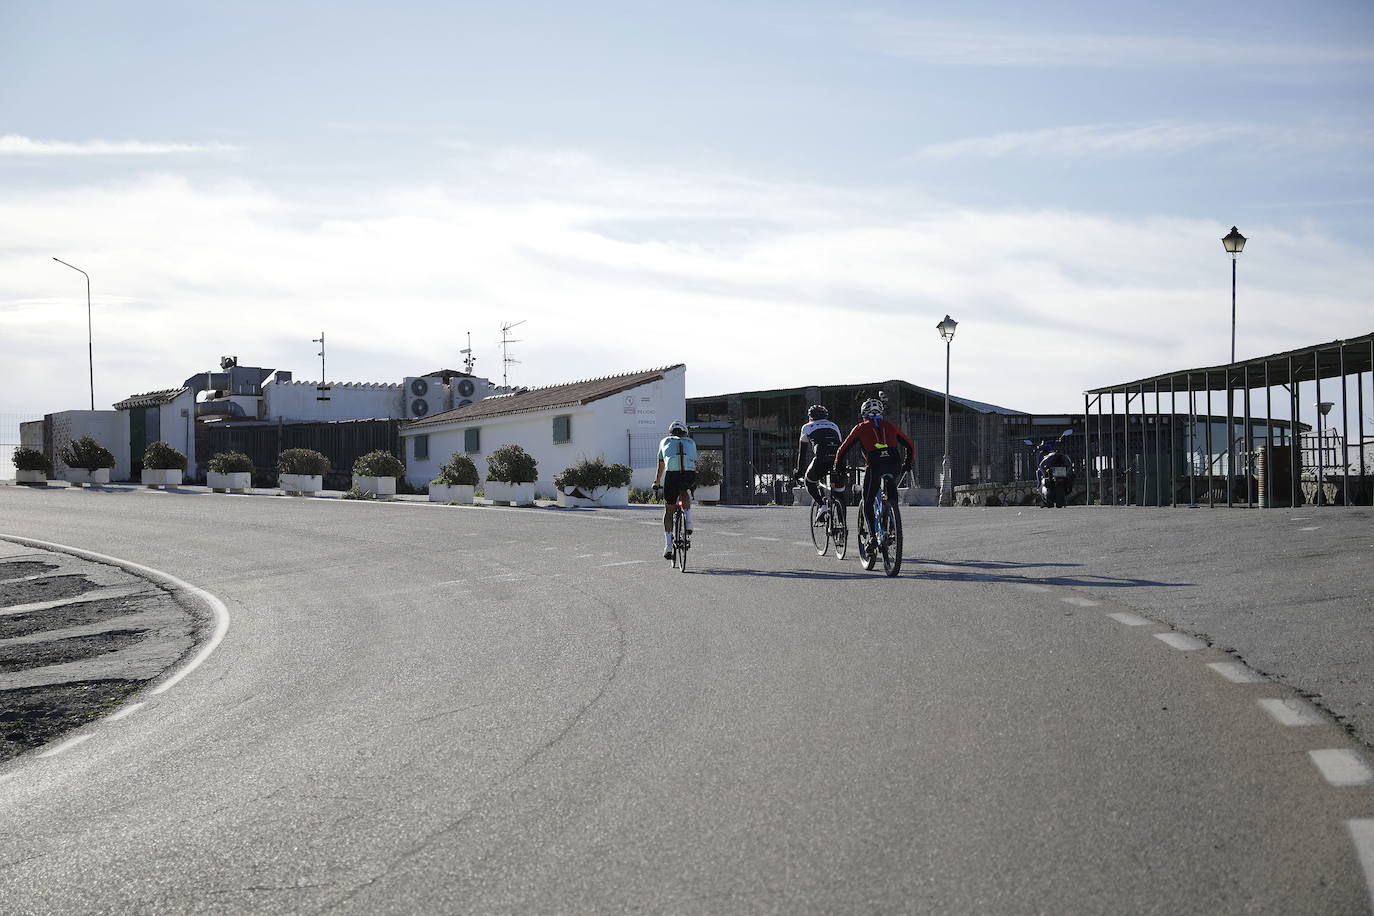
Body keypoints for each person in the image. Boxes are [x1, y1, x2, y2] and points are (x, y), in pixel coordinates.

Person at [834, 398, 915, 552]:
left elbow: (842, 449)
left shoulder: (861, 428)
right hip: (894, 464)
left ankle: (872, 538)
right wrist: (908, 464)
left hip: (875, 465)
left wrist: (838, 466)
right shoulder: (890, 426)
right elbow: (910, 444)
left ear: (863, 414)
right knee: (891, 494)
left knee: (868, 500)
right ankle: (892, 525)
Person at [791, 404, 845, 522]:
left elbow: (803, 453)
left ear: (810, 417)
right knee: (839, 492)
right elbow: (840, 446)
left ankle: (822, 505)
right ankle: (842, 525)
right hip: (838, 460)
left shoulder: (806, 427)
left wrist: (799, 472)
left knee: (809, 481)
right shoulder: (834, 426)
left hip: (821, 459)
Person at [653, 419, 697, 559]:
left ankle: (668, 546)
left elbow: (661, 466)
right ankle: (689, 522)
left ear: (670, 433)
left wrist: (656, 482)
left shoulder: (664, 441)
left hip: (672, 475)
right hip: (689, 474)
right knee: (684, 491)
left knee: (669, 509)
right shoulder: (691, 442)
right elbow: (693, 459)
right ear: (685, 432)